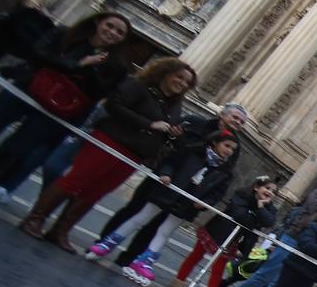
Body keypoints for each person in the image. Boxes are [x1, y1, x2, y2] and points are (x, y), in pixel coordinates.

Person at [19, 58, 194, 251]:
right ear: (166, 72)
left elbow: (162, 129)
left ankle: (61, 230)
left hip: (134, 154)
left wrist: (171, 132)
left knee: (96, 192)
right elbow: (114, 105)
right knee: (76, 180)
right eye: (180, 77)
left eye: (187, 83)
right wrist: (148, 124)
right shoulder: (139, 86)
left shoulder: (174, 105)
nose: (182, 83)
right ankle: (36, 218)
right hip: (110, 140)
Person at [0, 12, 130, 210]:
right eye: (110, 26)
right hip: (28, 87)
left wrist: (91, 70)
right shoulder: (65, 35)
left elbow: (100, 92)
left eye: (119, 32)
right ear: (97, 22)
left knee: (14, 150)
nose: (112, 33)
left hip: (56, 107)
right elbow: (38, 54)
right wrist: (77, 64)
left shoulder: (116, 66)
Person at [100, 103, 249, 266]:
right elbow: (169, 139)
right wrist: (172, 138)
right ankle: (103, 242)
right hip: (165, 177)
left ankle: (128, 259)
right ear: (222, 114)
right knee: (133, 210)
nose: (238, 122)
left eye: (242, 122)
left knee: (156, 226)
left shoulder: (235, 146)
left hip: (186, 192)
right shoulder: (195, 122)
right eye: (235, 117)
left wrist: (205, 200)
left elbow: (223, 175)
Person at [84, 129, 240, 285]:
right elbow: (171, 162)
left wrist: (205, 203)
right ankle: (108, 243)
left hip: (187, 204)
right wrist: (166, 174)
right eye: (227, 146)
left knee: (165, 231)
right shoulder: (192, 149)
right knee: (141, 218)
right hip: (168, 191)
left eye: (232, 149)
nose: (229, 151)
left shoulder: (225, 172)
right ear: (214, 142)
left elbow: (218, 193)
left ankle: (145, 261)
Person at [164, 175, 277, 287]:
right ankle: (176, 284)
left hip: (234, 238)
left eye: (273, 191)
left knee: (219, 268)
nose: (270, 192)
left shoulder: (270, 208)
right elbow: (240, 215)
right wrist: (255, 217)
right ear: (256, 187)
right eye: (267, 188)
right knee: (195, 256)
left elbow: (269, 222)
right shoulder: (242, 194)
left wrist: (260, 208)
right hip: (217, 229)